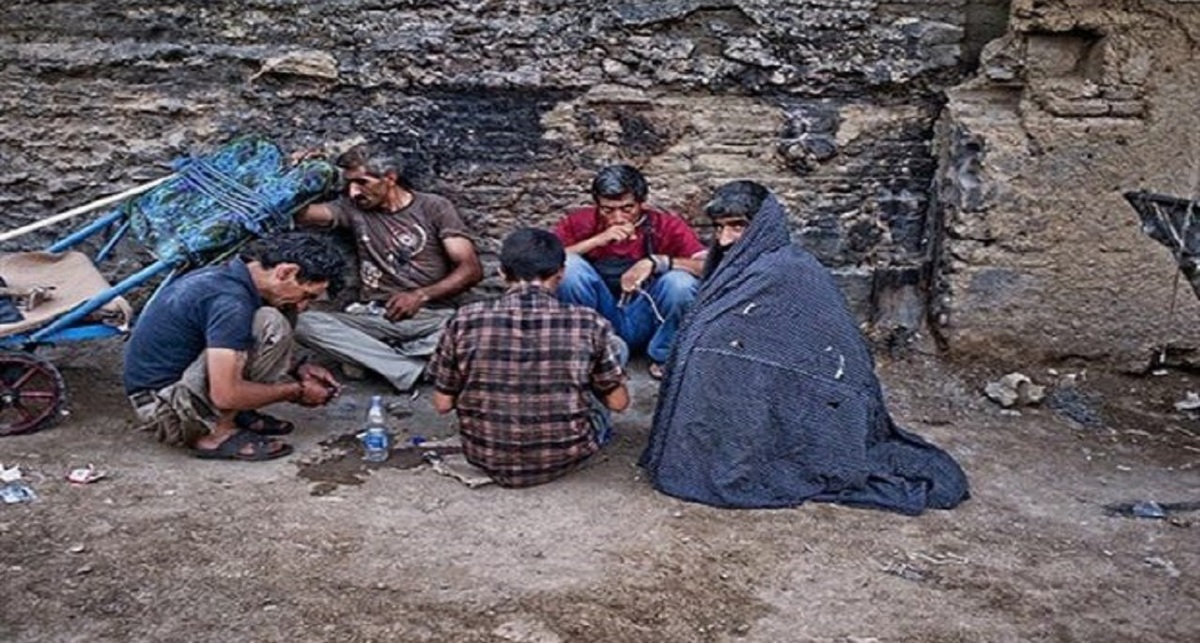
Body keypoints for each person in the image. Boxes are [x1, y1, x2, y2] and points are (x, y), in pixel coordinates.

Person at [640, 180, 970, 514]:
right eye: (719, 228)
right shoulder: (739, 267)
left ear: (763, 225)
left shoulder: (791, 270)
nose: (724, 240)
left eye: (737, 227)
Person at [428, 228, 630, 487]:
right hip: (567, 455)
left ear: (501, 273)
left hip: (484, 455)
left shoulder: (464, 319)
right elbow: (618, 403)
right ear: (561, 274)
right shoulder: (589, 322)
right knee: (617, 347)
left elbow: (443, 403)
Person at [123, 232, 346, 461]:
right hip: (164, 408)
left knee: (276, 315)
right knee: (270, 322)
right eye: (305, 295)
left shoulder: (228, 278)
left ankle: (237, 414)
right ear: (285, 272)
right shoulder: (230, 302)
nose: (302, 306)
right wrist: (296, 391)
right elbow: (225, 395)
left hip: (165, 390)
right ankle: (218, 433)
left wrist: (297, 368)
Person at [293, 144, 484, 392]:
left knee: (473, 329)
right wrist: (297, 176)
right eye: (349, 183)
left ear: (390, 178)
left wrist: (420, 295)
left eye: (362, 182)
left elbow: (471, 269)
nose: (353, 192)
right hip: (374, 316)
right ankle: (410, 368)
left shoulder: (434, 207)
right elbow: (300, 214)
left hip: (430, 317)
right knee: (303, 323)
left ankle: (379, 358)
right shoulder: (351, 209)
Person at [553, 164, 706, 378]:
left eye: (627, 209)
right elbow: (546, 263)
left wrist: (657, 262)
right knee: (569, 265)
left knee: (680, 283)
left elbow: (708, 267)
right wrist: (597, 240)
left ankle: (664, 354)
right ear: (597, 205)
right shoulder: (580, 222)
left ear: (642, 203)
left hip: (645, 314)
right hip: (600, 314)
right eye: (608, 210)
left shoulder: (666, 225)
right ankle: (589, 350)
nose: (618, 218)